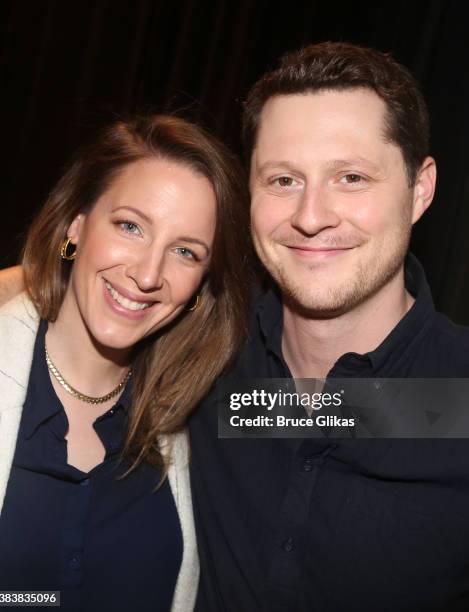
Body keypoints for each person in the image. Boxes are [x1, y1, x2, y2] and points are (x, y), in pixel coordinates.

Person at [187, 43, 469, 611]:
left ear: (421, 190)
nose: (311, 216)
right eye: (284, 180)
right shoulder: (205, 351)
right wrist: (60, 257)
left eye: (352, 177)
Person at [0, 114, 250, 611]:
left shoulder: (199, 416)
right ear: (76, 225)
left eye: (186, 252)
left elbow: (385, 414)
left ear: (203, 284)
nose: (147, 274)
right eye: (130, 226)